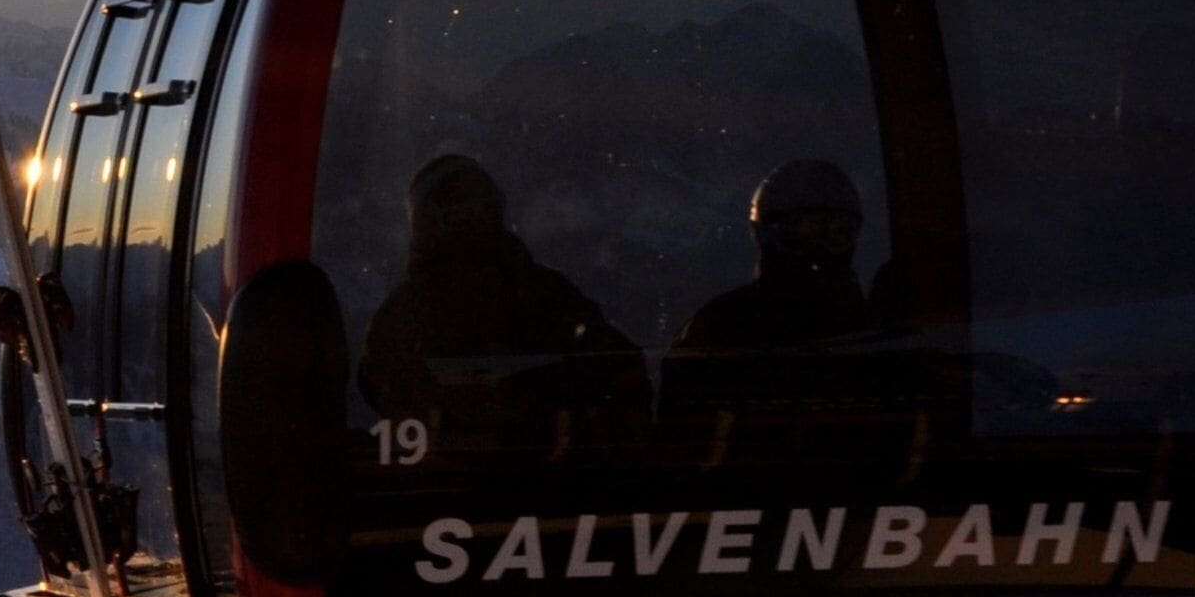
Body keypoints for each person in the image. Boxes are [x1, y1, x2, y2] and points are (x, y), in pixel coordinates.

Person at [358, 153, 644, 461]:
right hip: (448, 480)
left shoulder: (547, 296)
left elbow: (620, 375)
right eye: (456, 202)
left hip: (532, 479)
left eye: (476, 201)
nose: (470, 214)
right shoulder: (405, 313)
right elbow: (376, 403)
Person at [664, 158, 898, 456]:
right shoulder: (726, 324)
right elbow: (684, 437)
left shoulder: (876, 324)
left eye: (839, 231)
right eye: (810, 231)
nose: (824, 247)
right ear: (775, 233)